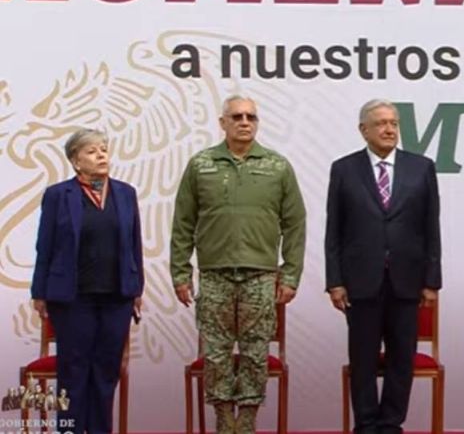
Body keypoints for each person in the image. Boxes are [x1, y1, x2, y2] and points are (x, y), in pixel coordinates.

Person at [170, 95, 306, 434]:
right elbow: (183, 223)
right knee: (215, 353)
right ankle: (221, 416)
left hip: (261, 277)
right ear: (223, 123)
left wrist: (290, 274)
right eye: (237, 116)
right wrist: (180, 273)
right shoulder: (201, 164)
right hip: (215, 276)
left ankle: (247, 419)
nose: (245, 122)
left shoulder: (277, 166)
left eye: (251, 117)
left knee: (255, 352)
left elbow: (295, 223)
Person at [325, 98, 442, 434]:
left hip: (407, 281)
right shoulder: (344, 169)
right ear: (364, 130)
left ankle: (391, 424)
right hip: (360, 281)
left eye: (394, 123)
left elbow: (431, 226)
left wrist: (431, 280)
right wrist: (335, 281)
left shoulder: (422, 167)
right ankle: (366, 424)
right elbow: (335, 229)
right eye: (381, 123)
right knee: (362, 358)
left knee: (401, 357)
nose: (389, 129)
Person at [29, 128, 144, 434]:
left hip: (116, 298)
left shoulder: (125, 193)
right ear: (76, 161)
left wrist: (136, 289)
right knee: (73, 372)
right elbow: (46, 245)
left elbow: (134, 245)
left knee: (106, 372)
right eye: (92, 151)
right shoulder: (58, 195)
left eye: (104, 149)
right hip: (72, 298)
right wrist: (40, 292)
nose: (101, 155)